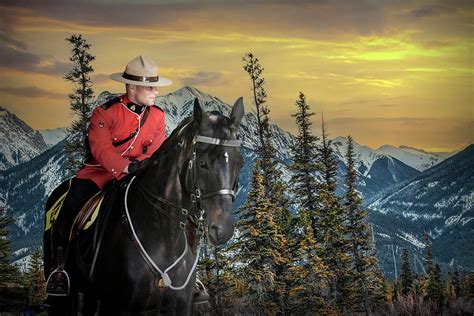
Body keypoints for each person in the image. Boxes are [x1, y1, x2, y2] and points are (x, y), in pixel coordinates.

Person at [46, 55, 170, 296]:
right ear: (131, 87)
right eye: (149, 86)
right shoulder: (105, 113)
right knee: (68, 208)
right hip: (98, 175)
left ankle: (175, 272)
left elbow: (155, 151)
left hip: (139, 177)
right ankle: (60, 269)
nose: (155, 91)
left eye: (156, 86)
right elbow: (100, 150)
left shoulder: (157, 115)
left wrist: (140, 167)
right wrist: (126, 167)